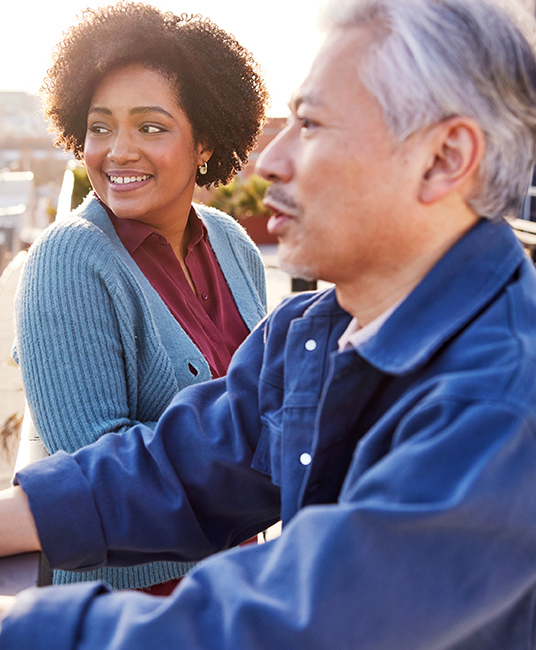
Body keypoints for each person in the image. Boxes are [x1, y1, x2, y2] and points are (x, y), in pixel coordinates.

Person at [2, 0, 536, 646]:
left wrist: (25, 629)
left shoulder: (498, 405)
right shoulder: (317, 330)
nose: (270, 161)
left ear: (444, 158)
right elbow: (181, 464)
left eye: (309, 124)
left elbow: (295, 625)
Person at [12, 3, 268, 593]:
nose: (116, 151)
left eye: (150, 127)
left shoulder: (231, 243)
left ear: (204, 140)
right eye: (100, 126)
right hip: (131, 611)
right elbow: (97, 488)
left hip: (236, 590)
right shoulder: (70, 258)